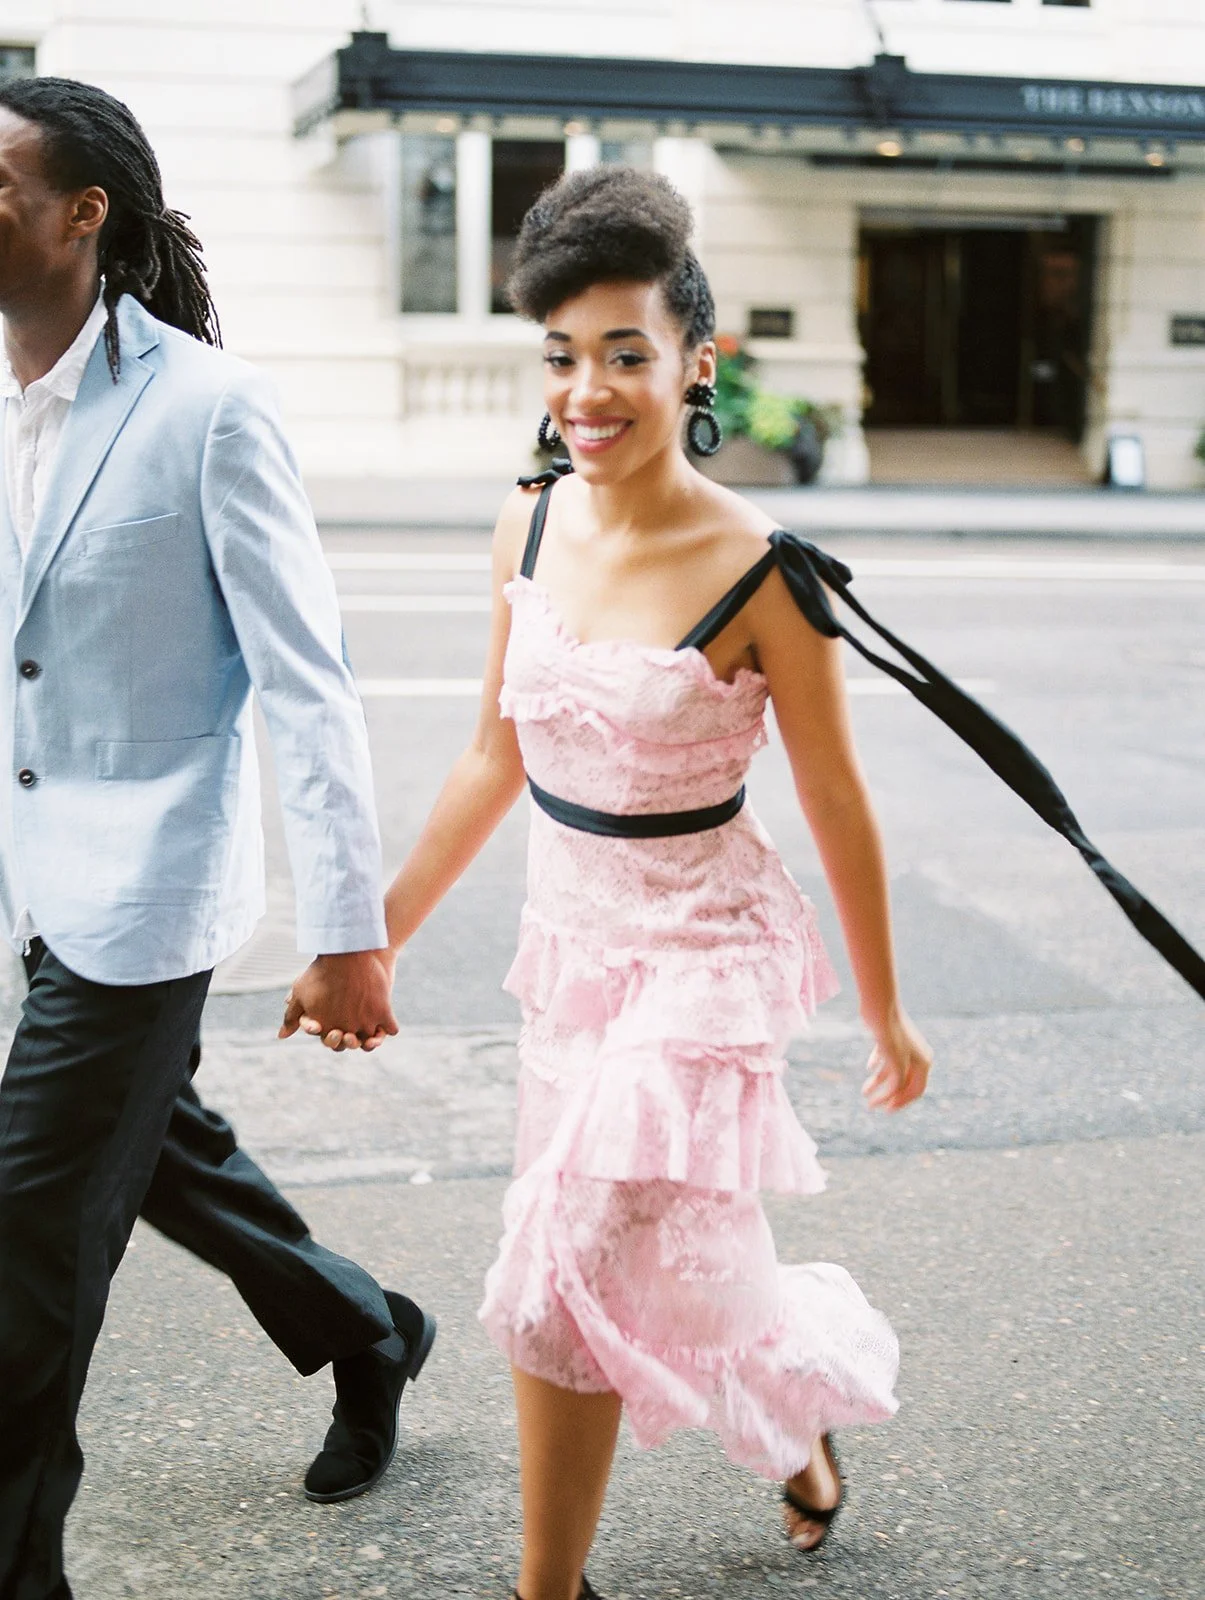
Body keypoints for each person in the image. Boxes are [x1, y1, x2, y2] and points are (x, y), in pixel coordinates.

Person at [301, 165, 931, 1600]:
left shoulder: (764, 571)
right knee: (682, 1249)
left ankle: (547, 1589)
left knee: (563, 1258)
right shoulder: (527, 522)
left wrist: (887, 1009)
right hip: (574, 951)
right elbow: (491, 758)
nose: (588, 390)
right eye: (562, 354)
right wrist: (369, 939)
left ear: (697, 362)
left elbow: (837, 802)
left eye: (626, 354)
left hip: (705, 953)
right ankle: (795, 1429)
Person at [0, 77, 435, 1600]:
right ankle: (369, 1330)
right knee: (158, 1155)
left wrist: (348, 931)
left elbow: (307, 683)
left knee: (26, 1238)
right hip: (31, 887)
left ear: (82, 214)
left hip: (147, 891)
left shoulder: (206, 407)